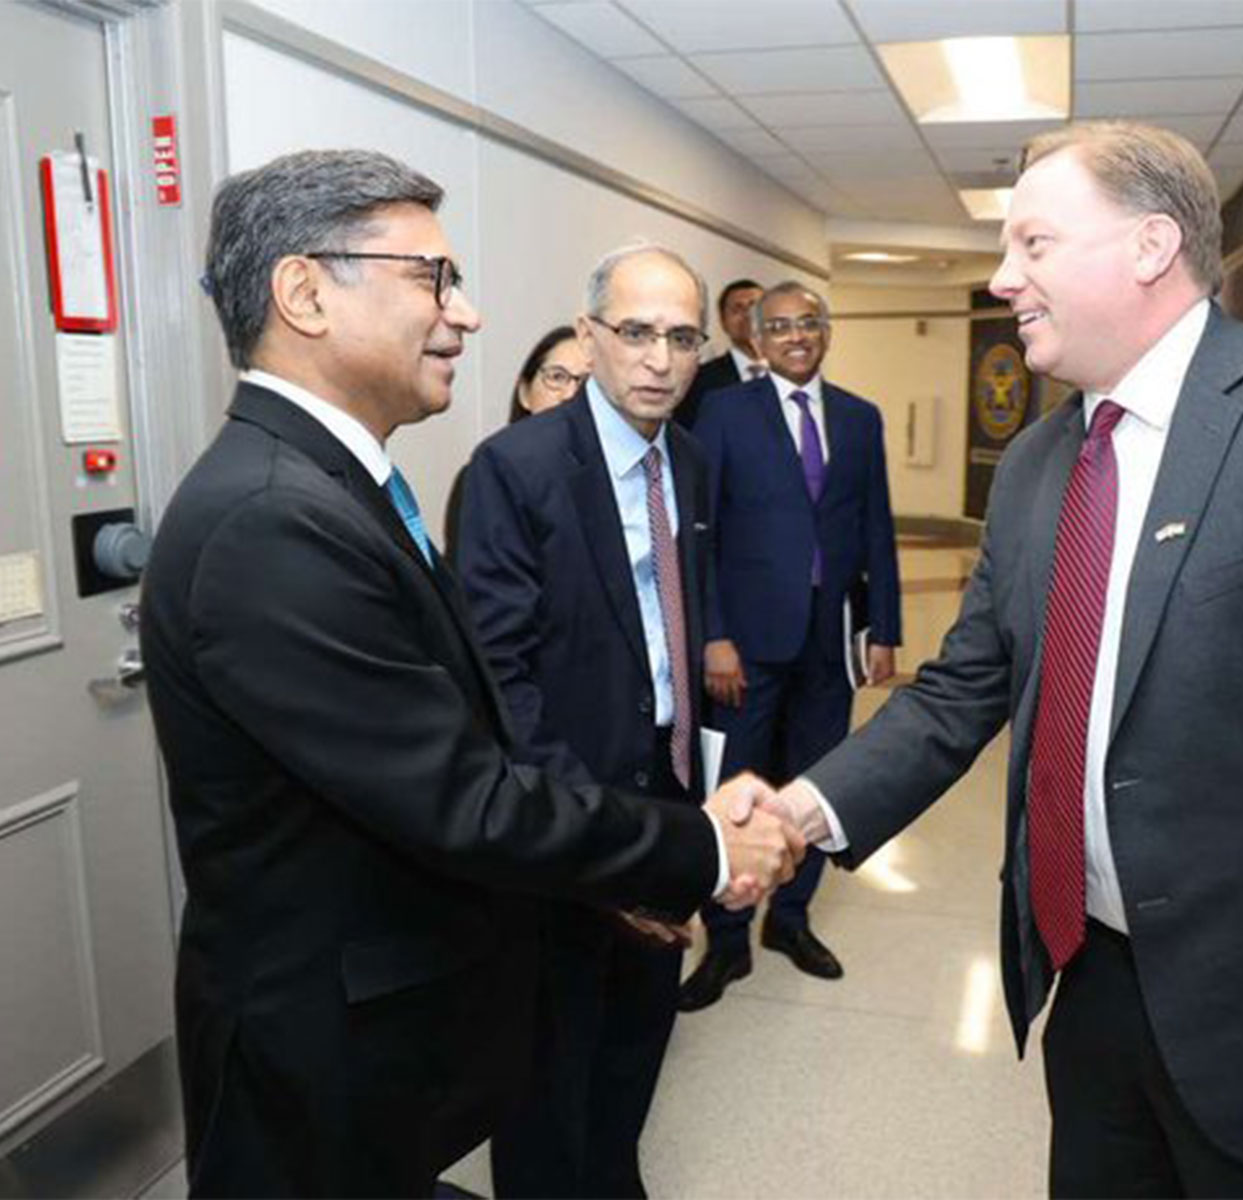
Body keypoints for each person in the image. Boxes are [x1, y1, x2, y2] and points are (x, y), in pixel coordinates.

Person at [769, 121, 1243, 1198]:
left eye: (1033, 243)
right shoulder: (1037, 461)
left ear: (1149, 245)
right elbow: (959, 691)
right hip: (1092, 983)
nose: (1000, 278)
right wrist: (801, 813)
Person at [140, 149, 800, 1197]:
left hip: (379, 1023)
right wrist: (700, 848)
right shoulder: (272, 522)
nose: (470, 313)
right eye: (433, 279)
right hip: (317, 1049)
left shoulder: (327, 487)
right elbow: (460, 791)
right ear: (305, 292)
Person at [456, 243, 717, 1197]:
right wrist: (596, 855)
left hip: (665, 790)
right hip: (560, 807)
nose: (659, 359)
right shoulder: (514, 470)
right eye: (636, 332)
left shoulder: (688, 459)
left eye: (682, 337)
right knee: (547, 1075)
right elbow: (502, 687)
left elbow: (677, 631)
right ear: (590, 336)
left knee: (635, 1048)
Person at [679, 281, 902, 1011]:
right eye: (779, 326)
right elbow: (700, 531)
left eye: (808, 323)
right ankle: (730, 937)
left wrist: (886, 631)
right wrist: (712, 634)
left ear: (826, 331)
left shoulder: (861, 419)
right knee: (739, 783)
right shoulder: (722, 413)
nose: (795, 336)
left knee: (818, 778)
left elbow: (877, 529)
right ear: (756, 338)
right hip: (744, 639)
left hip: (829, 639)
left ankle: (792, 920)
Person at [443, 324, 587, 558]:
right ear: (525, 393)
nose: (570, 394)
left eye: (586, 383)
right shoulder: (488, 477)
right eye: (557, 377)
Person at [675, 278, 764, 429]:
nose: (748, 315)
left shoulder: (792, 374)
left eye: (755, 307)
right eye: (737, 309)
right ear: (723, 321)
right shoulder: (698, 380)